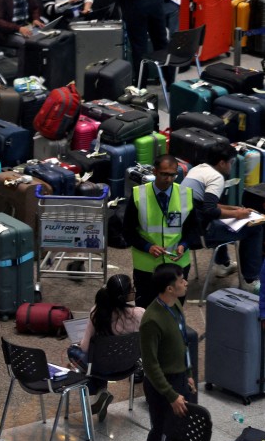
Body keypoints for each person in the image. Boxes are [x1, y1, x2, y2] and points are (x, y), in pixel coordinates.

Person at [138, 263, 197, 441]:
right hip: (163, 386)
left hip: (180, 377)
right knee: (161, 434)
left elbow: (183, 343)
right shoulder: (151, 320)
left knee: (177, 434)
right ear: (170, 288)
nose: (185, 283)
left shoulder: (176, 307)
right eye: (182, 280)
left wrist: (189, 372)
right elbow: (151, 365)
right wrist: (171, 395)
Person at [179, 143, 262, 294]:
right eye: (231, 162)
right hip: (200, 233)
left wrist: (233, 209)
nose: (231, 166)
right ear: (222, 163)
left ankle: (223, 264)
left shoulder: (198, 169)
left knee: (224, 218)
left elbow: (205, 204)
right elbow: (210, 210)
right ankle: (250, 280)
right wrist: (237, 215)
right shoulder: (216, 177)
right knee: (255, 228)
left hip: (186, 229)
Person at [123, 154, 199, 308]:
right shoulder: (139, 195)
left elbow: (194, 230)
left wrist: (184, 244)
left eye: (173, 175)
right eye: (164, 174)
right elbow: (128, 231)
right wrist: (147, 247)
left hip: (177, 264)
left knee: (175, 308)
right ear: (155, 171)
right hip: (147, 267)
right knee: (146, 309)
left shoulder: (186, 195)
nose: (169, 179)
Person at [67, 274, 145, 422]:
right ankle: (100, 393)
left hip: (101, 367)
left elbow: (84, 347)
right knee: (100, 359)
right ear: (127, 295)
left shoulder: (98, 312)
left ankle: (100, 391)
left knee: (74, 351)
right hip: (129, 365)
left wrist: (76, 345)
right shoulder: (140, 314)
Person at [115, 0, 168, 79]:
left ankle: (141, 85)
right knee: (161, 43)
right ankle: (169, 82)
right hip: (157, 3)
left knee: (139, 48)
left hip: (136, 6)